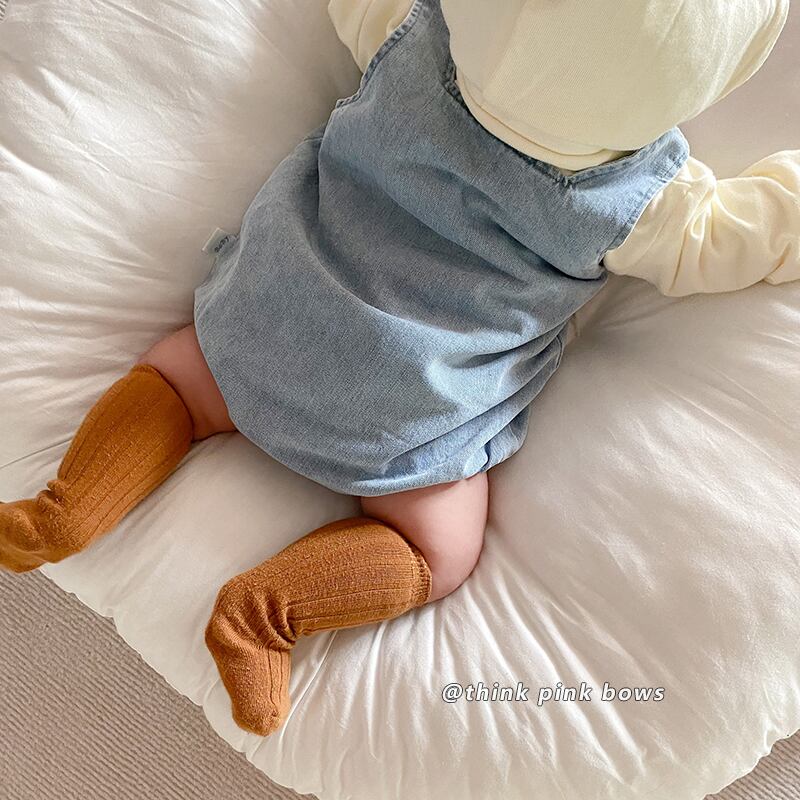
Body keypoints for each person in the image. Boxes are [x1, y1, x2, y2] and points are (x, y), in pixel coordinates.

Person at [1, 0, 797, 737]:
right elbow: (746, 240)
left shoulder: (409, 37)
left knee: (177, 378)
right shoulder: (638, 202)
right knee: (439, 550)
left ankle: (64, 511)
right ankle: (262, 616)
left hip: (270, 316)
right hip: (406, 414)